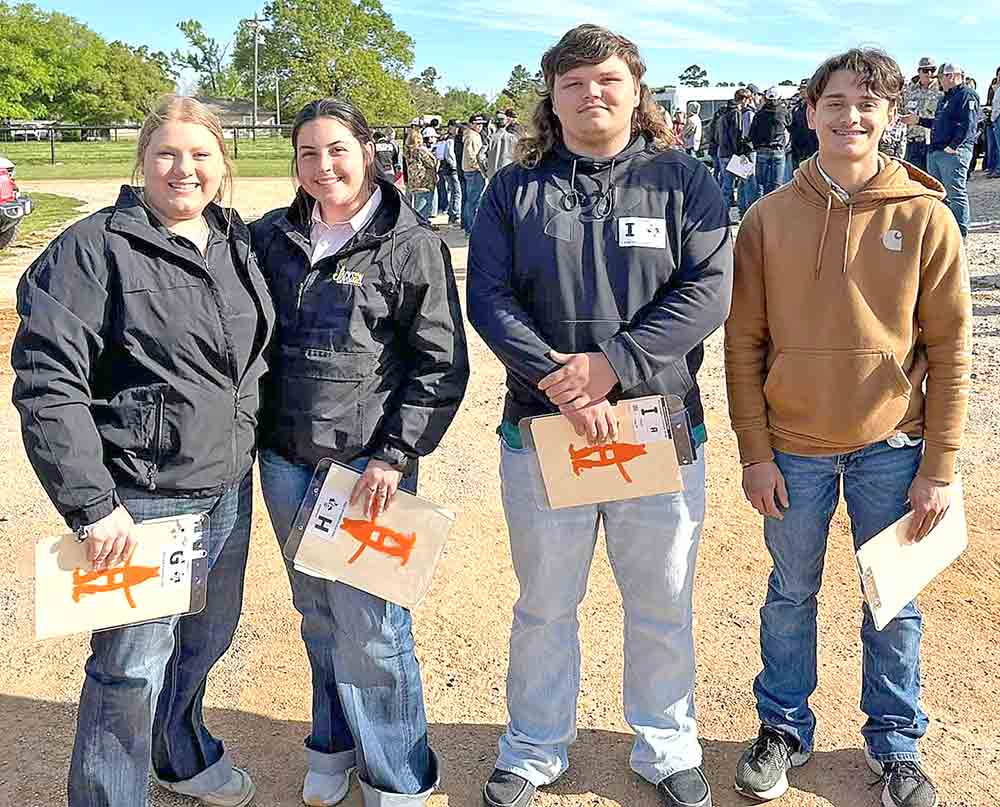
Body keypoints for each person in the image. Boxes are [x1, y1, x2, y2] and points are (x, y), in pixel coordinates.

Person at [468, 24, 733, 807]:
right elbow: (488, 296)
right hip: (544, 428)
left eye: (607, 80)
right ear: (551, 97)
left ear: (636, 89)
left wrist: (611, 364)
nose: (592, 95)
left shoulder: (685, 181)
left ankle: (665, 740)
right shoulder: (514, 188)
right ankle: (535, 744)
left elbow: (707, 291)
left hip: (659, 428)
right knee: (546, 600)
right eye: (574, 82)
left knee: (661, 596)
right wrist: (559, 376)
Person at [11, 95, 276, 807]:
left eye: (199, 154)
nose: (182, 168)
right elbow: (47, 382)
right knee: (130, 664)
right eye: (167, 153)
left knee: (203, 640)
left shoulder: (234, 241)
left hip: (226, 485)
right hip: (143, 496)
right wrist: (93, 505)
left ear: (224, 164)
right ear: (142, 162)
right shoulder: (93, 246)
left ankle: (177, 752)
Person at [726, 48, 971, 807]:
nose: (850, 116)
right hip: (793, 453)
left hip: (892, 451)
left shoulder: (927, 216)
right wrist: (755, 452)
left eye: (868, 103)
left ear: (892, 116)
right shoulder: (767, 219)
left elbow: (952, 349)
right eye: (835, 101)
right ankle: (782, 727)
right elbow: (743, 345)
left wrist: (939, 464)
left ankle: (896, 746)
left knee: (892, 603)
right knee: (789, 595)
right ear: (810, 113)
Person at [250, 98, 470, 807]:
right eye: (308, 154)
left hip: (367, 469)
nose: (324, 167)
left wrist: (394, 455)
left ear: (368, 150)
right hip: (286, 460)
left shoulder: (411, 244)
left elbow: (439, 365)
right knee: (317, 613)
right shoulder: (269, 238)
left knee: (373, 628)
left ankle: (398, 774)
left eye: (338, 150)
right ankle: (333, 742)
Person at [903, 61, 979, 237]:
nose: (938, 80)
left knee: (955, 193)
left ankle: (960, 234)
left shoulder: (967, 95)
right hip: (936, 150)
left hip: (951, 153)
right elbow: (938, 123)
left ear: (950, 76)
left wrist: (954, 146)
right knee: (938, 194)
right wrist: (919, 121)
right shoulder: (945, 97)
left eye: (940, 76)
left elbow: (968, 124)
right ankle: (943, 232)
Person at [901, 57, 941, 171]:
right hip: (912, 142)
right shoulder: (910, 90)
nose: (929, 73)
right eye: (925, 70)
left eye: (932, 70)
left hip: (932, 142)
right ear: (919, 71)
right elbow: (904, 110)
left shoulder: (941, 90)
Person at [749, 87, 790, 198]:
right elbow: (791, 127)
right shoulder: (783, 112)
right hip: (778, 150)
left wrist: (757, 145)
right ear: (779, 98)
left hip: (762, 150)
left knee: (761, 184)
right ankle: (775, 210)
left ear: (766, 99)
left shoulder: (759, 114)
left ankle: (761, 209)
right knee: (777, 184)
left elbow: (752, 133)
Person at [461, 113, 488, 235]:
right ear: (471, 124)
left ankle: (469, 227)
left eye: (481, 124)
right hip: (474, 171)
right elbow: (471, 155)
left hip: (471, 170)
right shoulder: (472, 136)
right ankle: (471, 228)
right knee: (474, 201)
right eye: (477, 124)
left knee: (471, 200)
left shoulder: (472, 134)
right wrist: (480, 168)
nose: (480, 126)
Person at [403, 125, 438, 220]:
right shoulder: (420, 150)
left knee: (418, 206)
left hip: (414, 182)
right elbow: (432, 163)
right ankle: (422, 227)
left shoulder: (407, 151)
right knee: (423, 208)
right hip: (424, 182)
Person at [435, 120, 461, 224]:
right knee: (456, 192)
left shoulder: (445, 139)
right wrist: (455, 166)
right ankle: (455, 214)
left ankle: (452, 213)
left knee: (454, 192)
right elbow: (449, 155)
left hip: (446, 169)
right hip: (451, 169)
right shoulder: (450, 140)